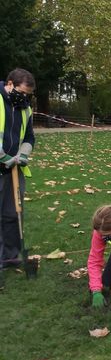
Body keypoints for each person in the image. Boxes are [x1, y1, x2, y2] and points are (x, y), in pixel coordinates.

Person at [0, 68, 35, 271]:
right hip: (2, 163)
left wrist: (23, 154)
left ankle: (10, 257)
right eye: (21, 92)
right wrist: (3, 156)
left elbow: (30, 137)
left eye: (28, 95)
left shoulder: (25, 109)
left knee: (13, 214)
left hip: (13, 170)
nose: (24, 98)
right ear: (10, 83)